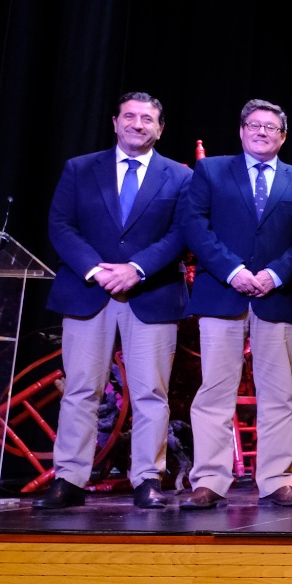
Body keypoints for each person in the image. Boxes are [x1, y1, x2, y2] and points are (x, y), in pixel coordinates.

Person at [36, 92, 192, 510]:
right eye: (130, 117)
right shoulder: (80, 168)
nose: (137, 124)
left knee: (150, 393)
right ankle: (69, 479)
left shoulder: (179, 176)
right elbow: (60, 225)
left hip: (151, 293)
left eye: (147, 119)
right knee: (81, 390)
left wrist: (136, 269)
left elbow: (181, 233)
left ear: (160, 128)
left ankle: (147, 479)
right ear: (115, 121)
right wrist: (98, 270)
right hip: (89, 292)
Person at [179, 99, 292, 510]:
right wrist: (233, 271)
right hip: (222, 294)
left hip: (277, 296)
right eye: (254, 125)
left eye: (271, 127)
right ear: (241, 131)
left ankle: (276, 479)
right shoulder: (211, 171)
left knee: (280, 394)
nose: (261, 132)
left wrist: (274, 275)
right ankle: (210, 480)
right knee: (214, 392)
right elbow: (194, 226)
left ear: (283, 136)